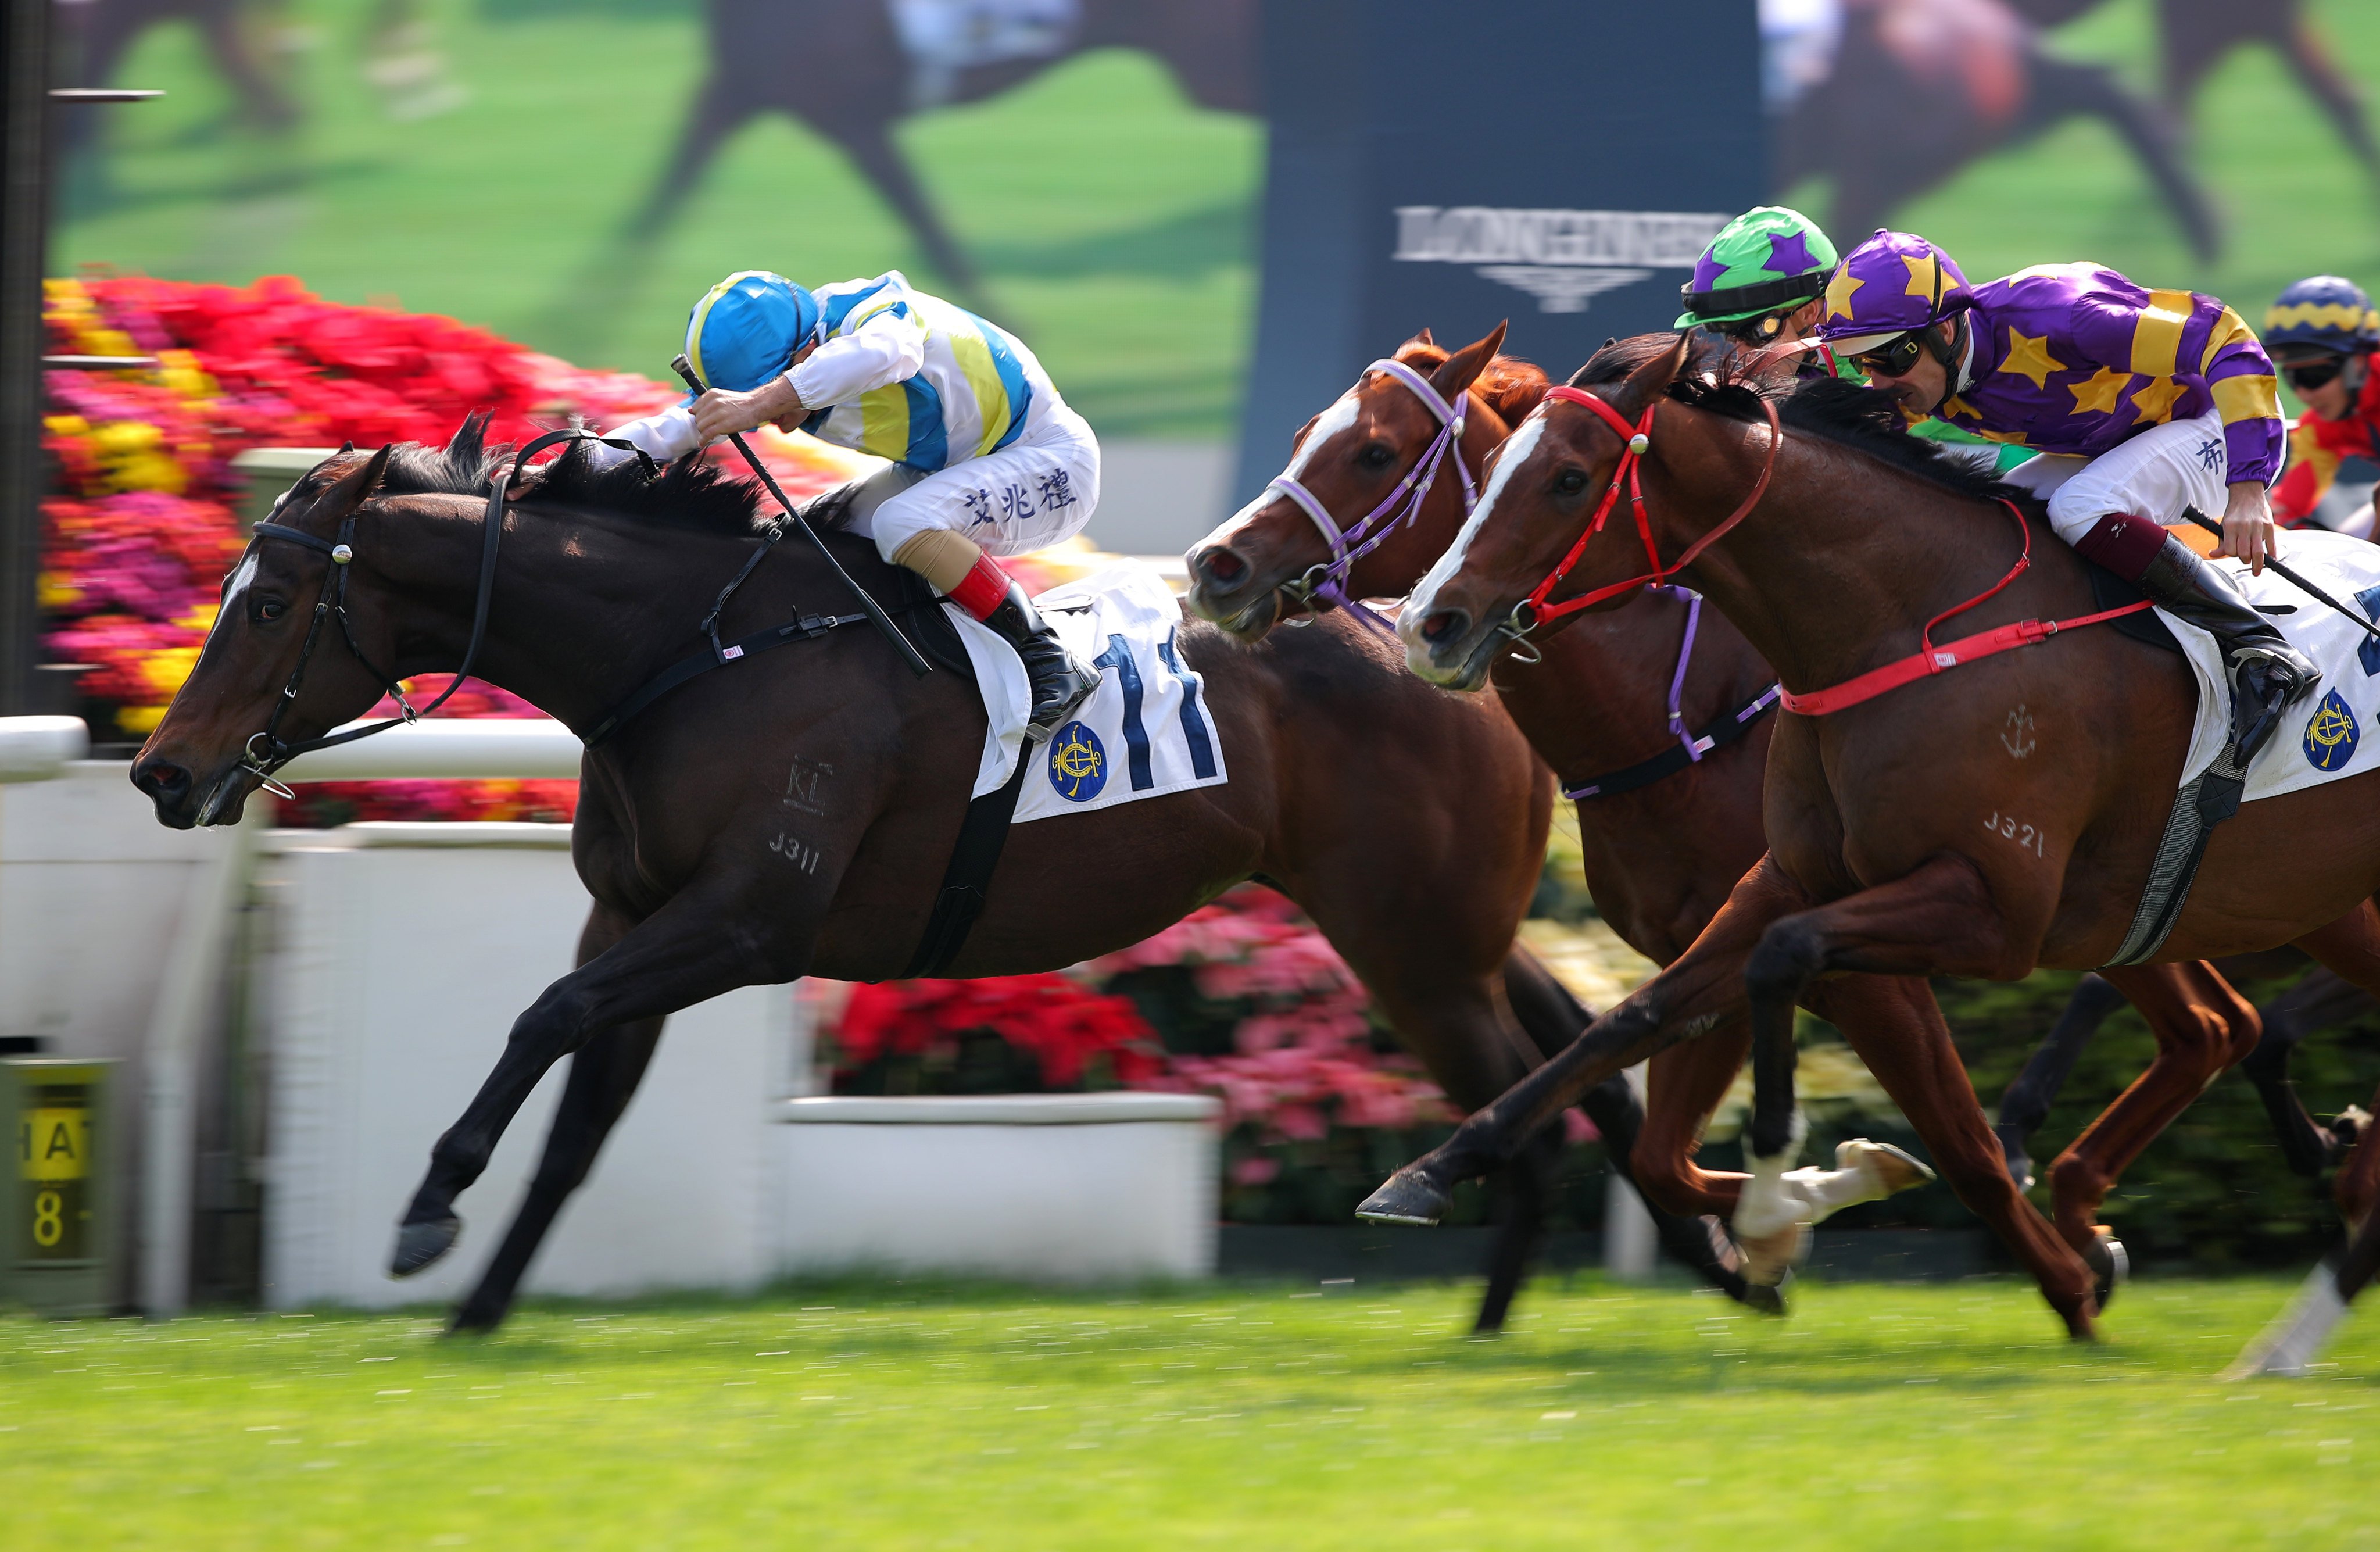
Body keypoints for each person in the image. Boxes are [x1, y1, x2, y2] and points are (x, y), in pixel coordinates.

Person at [1812, 230, 2315, 762]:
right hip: (2122, 443)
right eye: (1858, 363)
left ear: (1943, 329)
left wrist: (2247, 487)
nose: (1877, 381)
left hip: (2213, 420)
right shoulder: (1926, 372)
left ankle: (2259, 649)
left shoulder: (2063, 317)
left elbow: (2226, 338)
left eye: (1887, 359)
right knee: (1987, 521)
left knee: (2078, 508)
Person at [606, 270, 1101, 740]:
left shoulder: (878, 313)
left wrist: (758, 402)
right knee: (810, 536)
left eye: (776, 407)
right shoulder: (791, 363)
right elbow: (675, 428)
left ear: (806, 351)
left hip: (1048, 461)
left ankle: (1044, 653)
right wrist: (559, 465)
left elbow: (886, 354)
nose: (775, 424)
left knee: (903, 522)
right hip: (953, 470)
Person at [1679, 206, 2037, 477]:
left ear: (1808, 313)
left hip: (2012, 459)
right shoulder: (1809, 369)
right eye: (1728, 334)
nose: (1741, 353)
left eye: (1756, 331)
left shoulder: (1886, 331)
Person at [2264, 274, 2380, 541]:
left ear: (2359, 363)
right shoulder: (2321, 426)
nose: (2304, 393)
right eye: (2293, 378)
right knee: (2345, 548)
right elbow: (2286, 509)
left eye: (2315, 376)